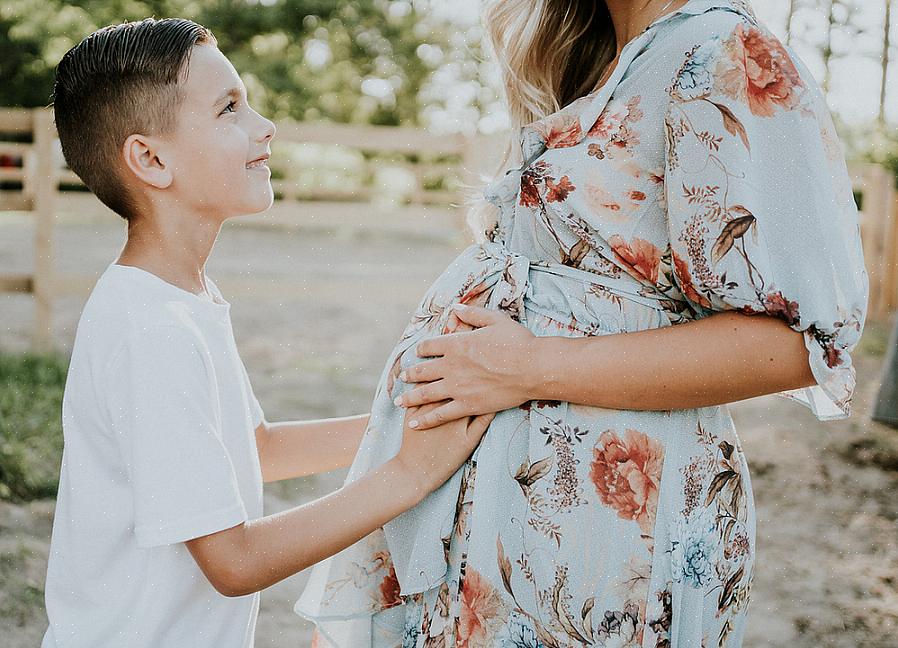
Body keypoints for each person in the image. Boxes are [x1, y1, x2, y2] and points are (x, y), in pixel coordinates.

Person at [294, 0, 869, 646]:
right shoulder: (606, 59)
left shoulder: (724, 53)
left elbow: (797, 346)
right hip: (507, 530)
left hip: (607, 539)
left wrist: (530, 366)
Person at [41, 17, 493, 648]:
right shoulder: (151, 329)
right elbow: (234, 562)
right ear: (150, 158)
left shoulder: (183, 296)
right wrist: (408, 474)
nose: (266, 126)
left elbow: (254, 448)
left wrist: (403, 426)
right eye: (230, 109)